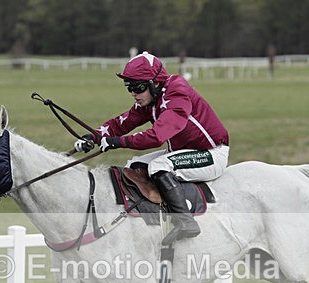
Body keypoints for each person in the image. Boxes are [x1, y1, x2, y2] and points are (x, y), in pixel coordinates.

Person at [74, 51, 230, 244]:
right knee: (134, 166)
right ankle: (149, 219)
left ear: (155, 83)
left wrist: (117, 143)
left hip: (210, 154)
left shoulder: (177, 93)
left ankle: (185, 222)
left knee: (159, 166)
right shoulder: (151, 99)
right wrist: (93, 136)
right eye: (129, 87)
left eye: (137, 87)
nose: (133, 93)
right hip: (182, 152)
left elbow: (157, 137)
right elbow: (120, 124)